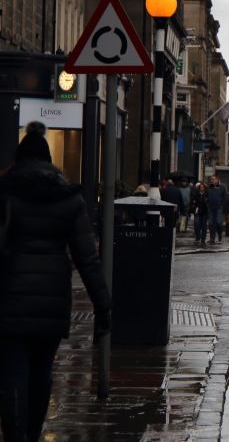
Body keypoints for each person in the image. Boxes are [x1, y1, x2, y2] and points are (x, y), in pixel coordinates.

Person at [0, 122, 112, 441]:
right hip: (50, 302)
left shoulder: (5, 192)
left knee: (11, 376)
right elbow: (87, 258)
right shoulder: (67, 198)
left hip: (8, 297)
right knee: (41, 374)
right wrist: (103, 307)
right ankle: (33, 434)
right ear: (49, 161)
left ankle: (15, 436)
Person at [206, 175, 227, 244]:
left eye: (213, 179)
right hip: (211, 207)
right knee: (211, 223)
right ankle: (212, 238)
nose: (212, 181)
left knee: (218, 223)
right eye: (211, 179)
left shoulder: (222, 187)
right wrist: (207, 203)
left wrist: (222, 205)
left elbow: (225, 197)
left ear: (217, 179)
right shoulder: (209, 187)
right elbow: (206, 196)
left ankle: (220, 235)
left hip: (219, 207)